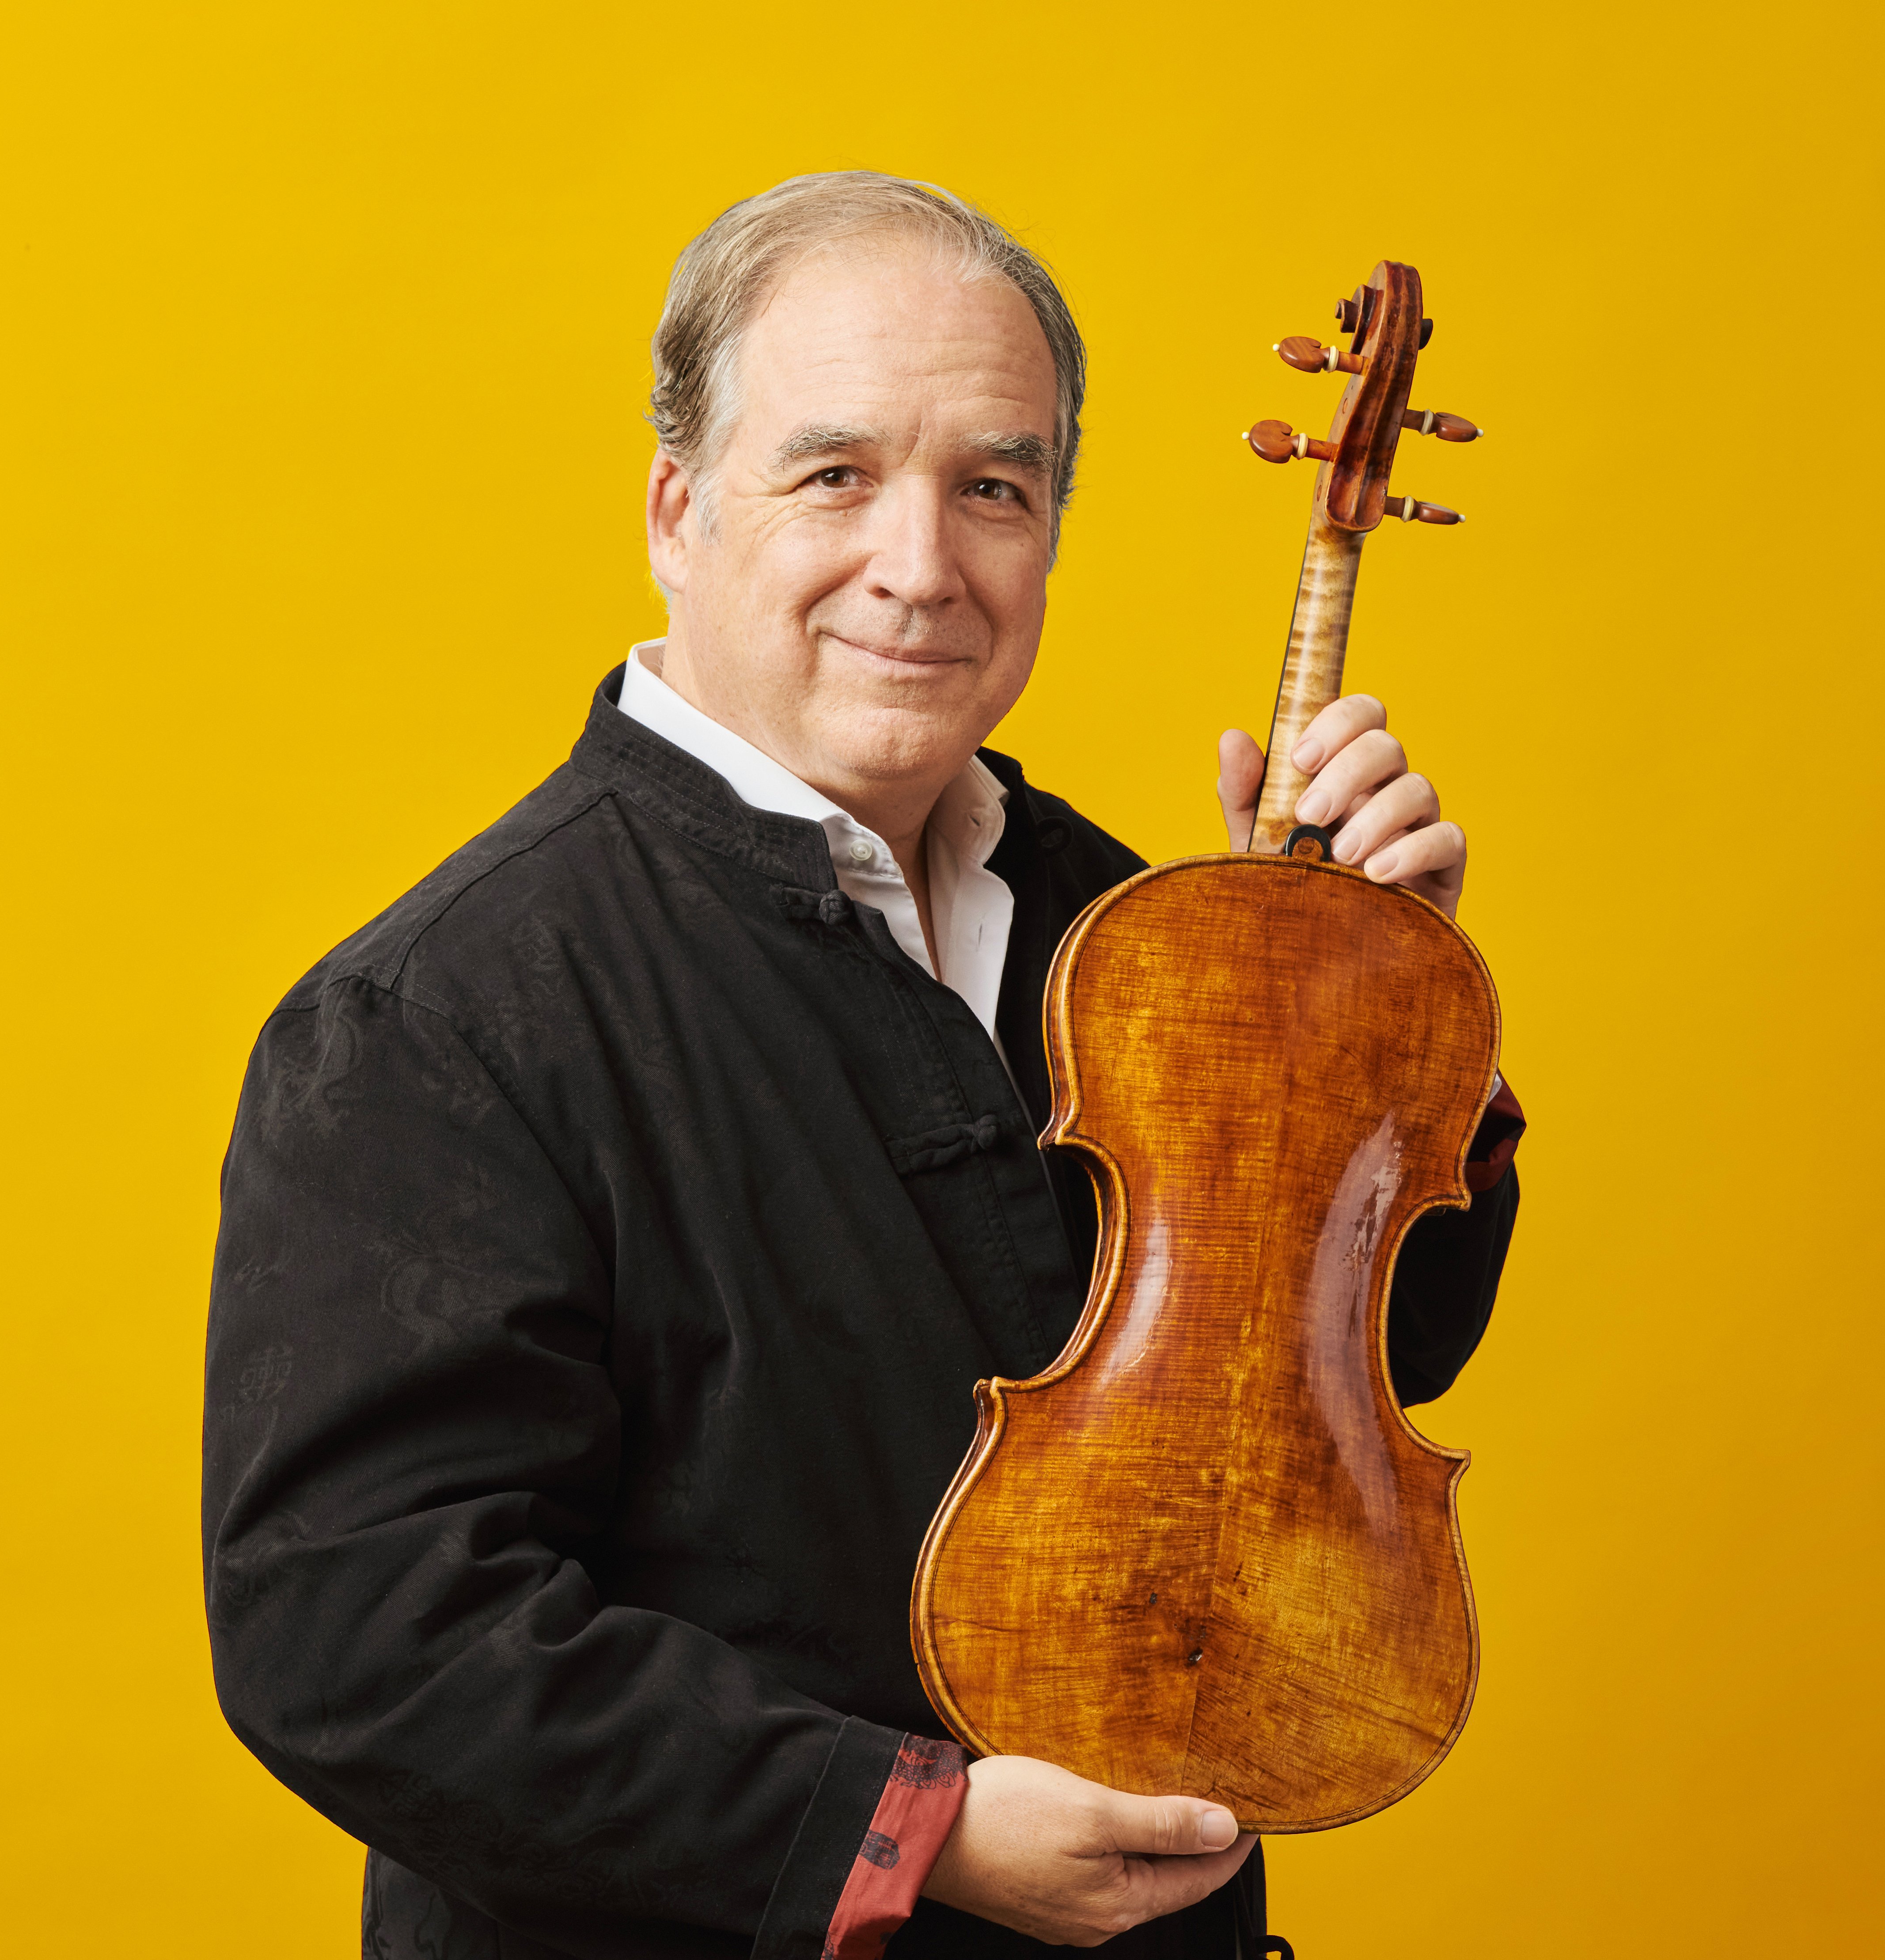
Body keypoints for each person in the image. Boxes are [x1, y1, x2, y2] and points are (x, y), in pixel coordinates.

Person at [204, 171, 1524, 1960]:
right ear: (679, 512)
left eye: (994, 486)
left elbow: (1334, 1400)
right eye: (835, 473)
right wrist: (915, 1830)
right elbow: (362, 1633)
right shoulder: (439, 1014)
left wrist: (1358, 1046)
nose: (921, 566)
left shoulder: (1136, 942)